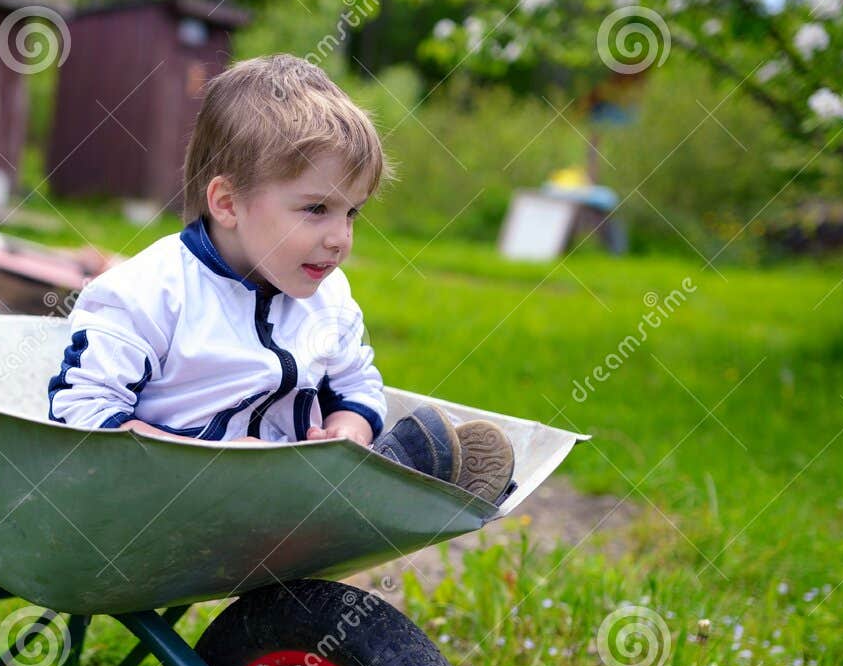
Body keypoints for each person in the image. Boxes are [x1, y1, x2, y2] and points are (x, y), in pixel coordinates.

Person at [46, 53, 515, 503]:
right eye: (316, 209)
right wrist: (214, 459)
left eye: (351, 213)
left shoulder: (327, 298)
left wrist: (348, 428)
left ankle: (398, 471)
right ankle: (407, 478)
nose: (340, 239)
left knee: (345, 465)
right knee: (322, 485)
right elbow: (81, 411)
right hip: (167, 498)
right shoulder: (149, 292)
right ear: (228, 203)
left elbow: (356, 385)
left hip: (287, 494)